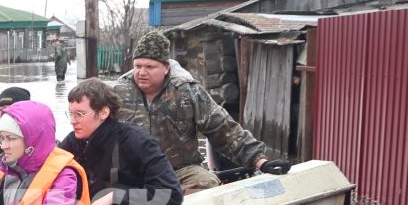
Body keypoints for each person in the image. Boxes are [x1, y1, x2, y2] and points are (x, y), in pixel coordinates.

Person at [113, 31, 292, 192]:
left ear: (166, 68)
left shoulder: (187, 91)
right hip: (134, 174)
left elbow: (223, 129)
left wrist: (261, 162)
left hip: (180, 172)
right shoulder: (119, 93)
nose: (141, 72)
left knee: (206, 183)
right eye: (137, 66)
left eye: (150, 67)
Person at [59, 79, 183, 205]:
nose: (72, 121)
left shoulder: (136, 140)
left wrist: (115, 197)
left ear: (103, 113)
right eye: (71, 113)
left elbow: (172, 193)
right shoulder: (72, 142)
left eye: (80, 114)